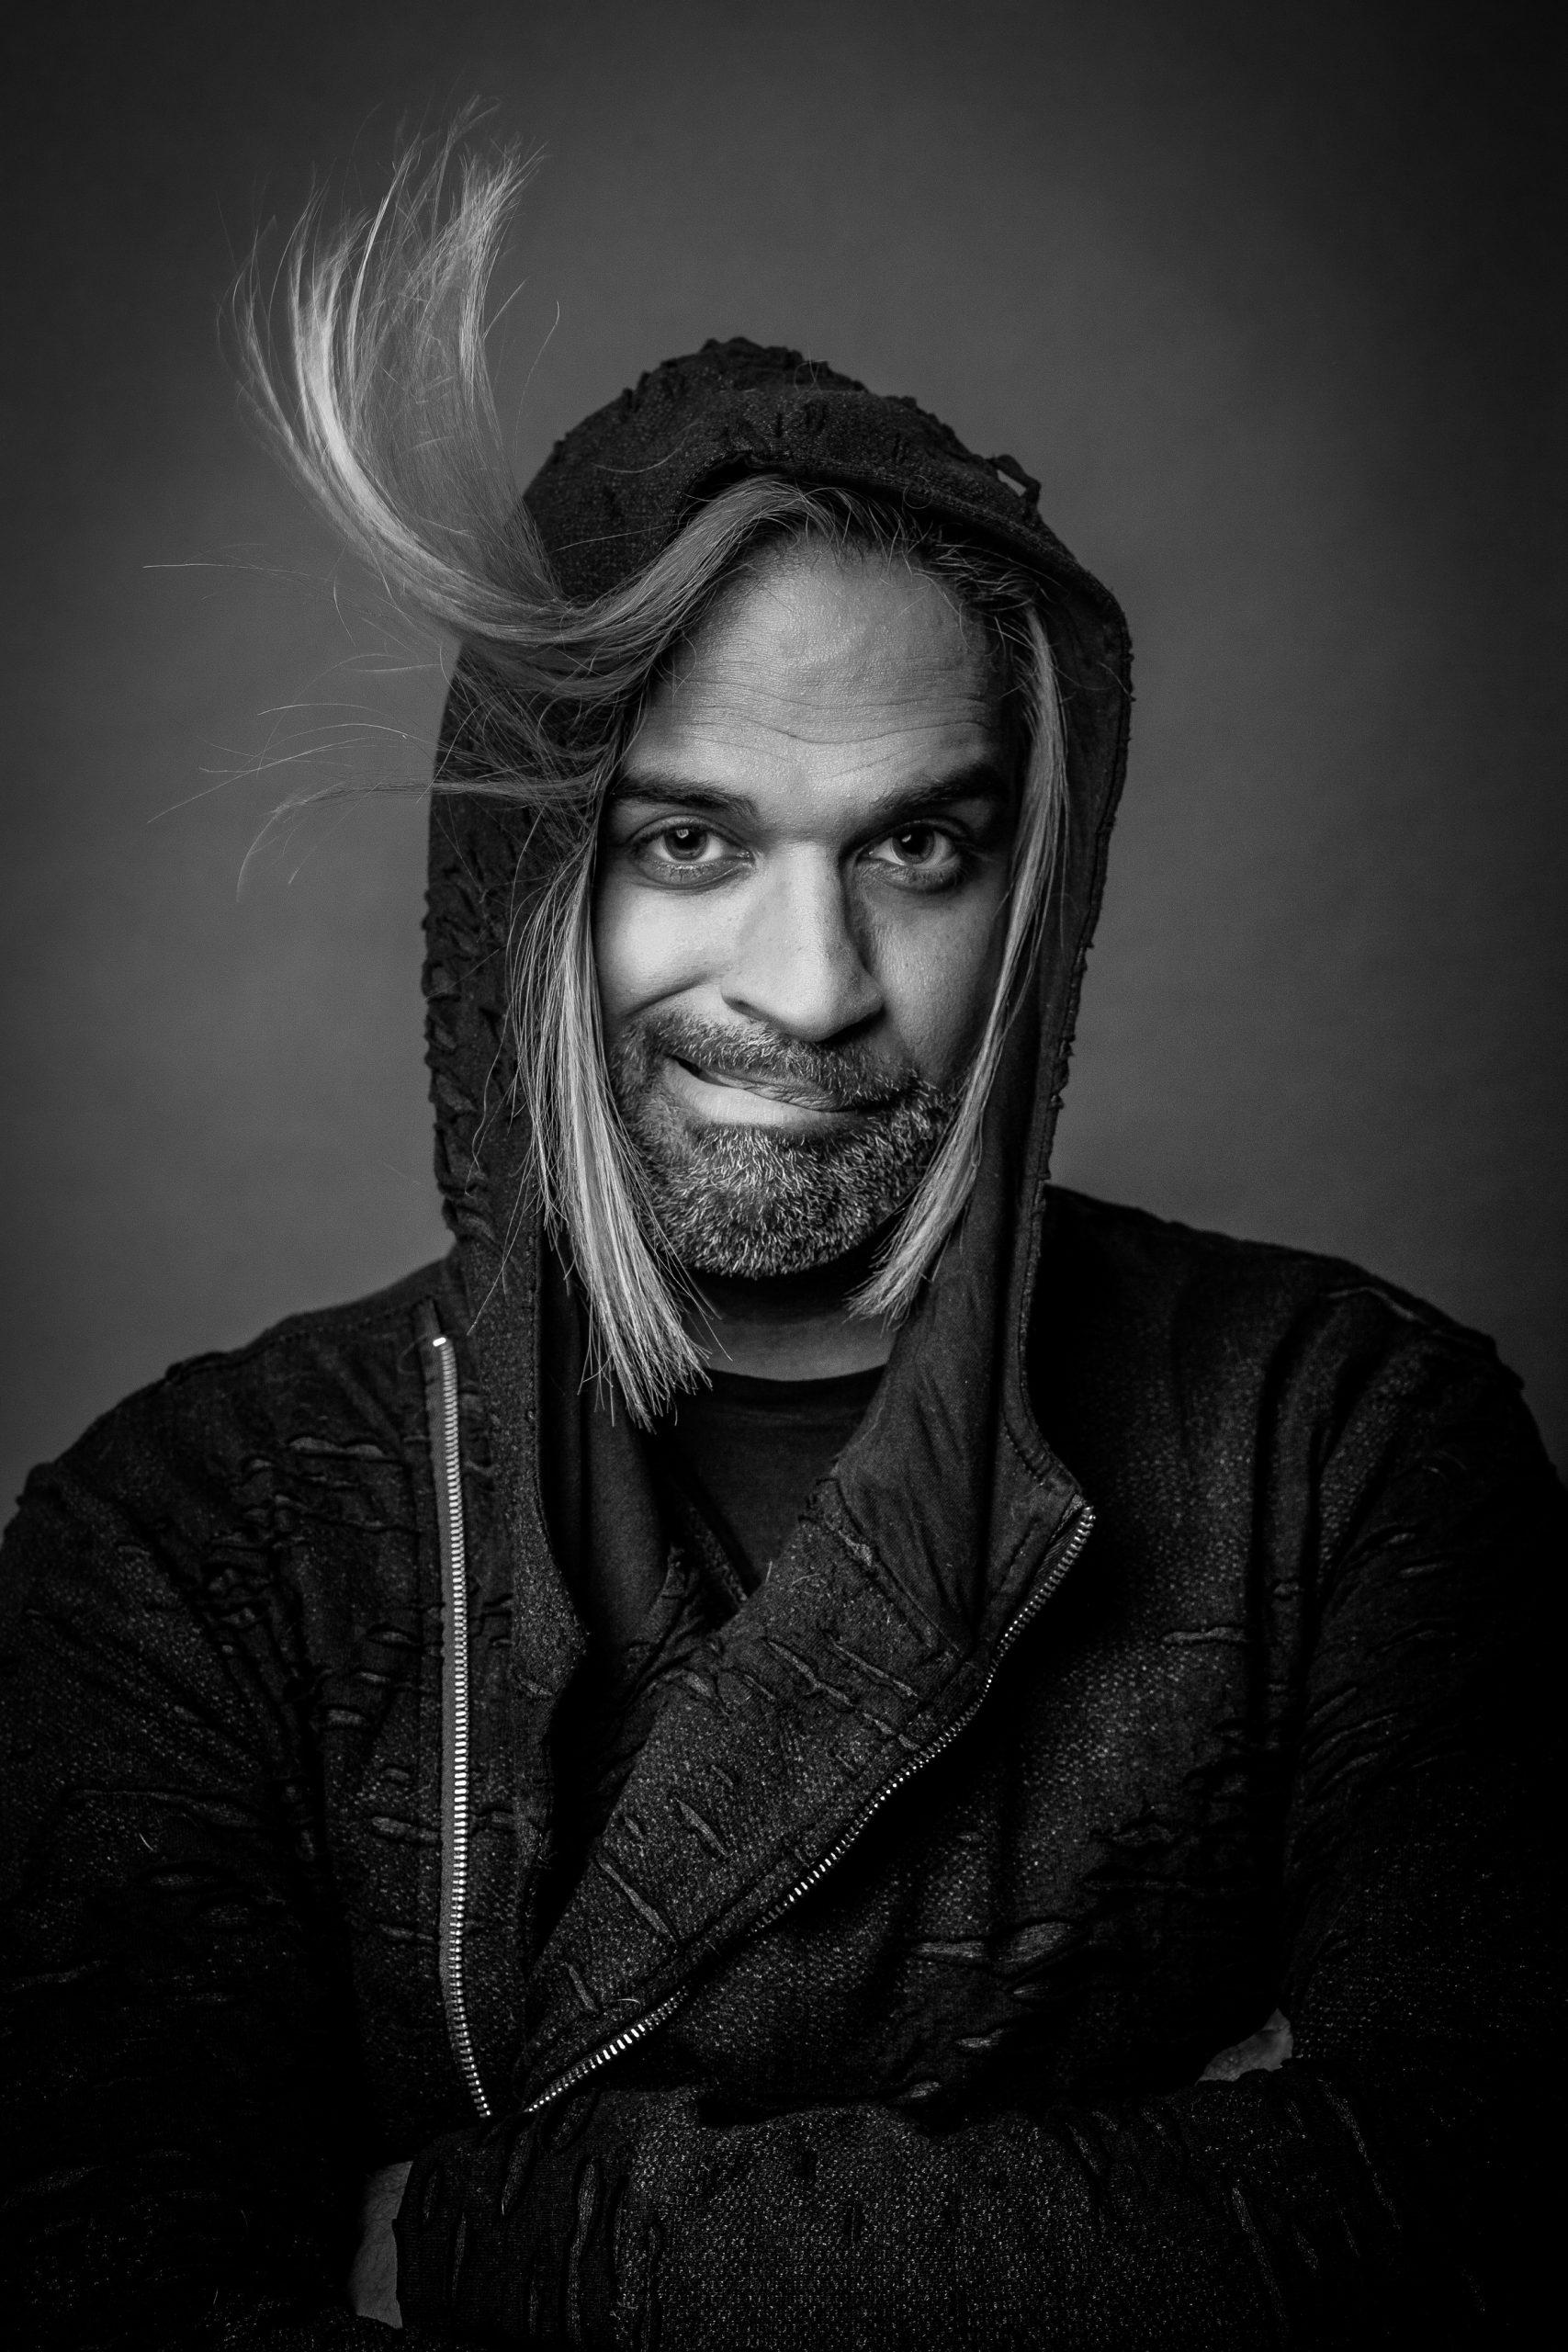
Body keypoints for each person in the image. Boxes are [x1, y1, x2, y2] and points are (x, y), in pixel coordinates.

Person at [1, 141, 1560, 2351]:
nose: (810, 984)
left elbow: (1497, 2202)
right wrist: (1193, 2199)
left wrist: (550, 2246)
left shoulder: (1336, 1452)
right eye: (689, 840)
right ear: (530, 879)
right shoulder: (193, 1549)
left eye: (917, 846)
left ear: (1029, 890)